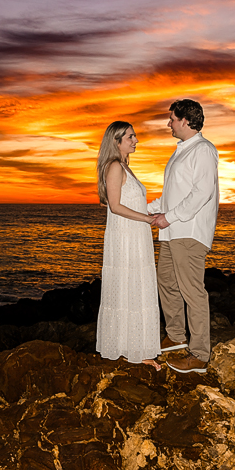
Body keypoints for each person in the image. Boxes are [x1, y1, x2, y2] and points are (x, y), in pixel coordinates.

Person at [148, 99, 219, 374]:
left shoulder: (203, 150)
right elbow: (170, 197)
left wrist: (169, 217)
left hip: (188, 232)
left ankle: (200, 354)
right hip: (171, 232)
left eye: (172, 119)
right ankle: (176, 336)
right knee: (166, 281)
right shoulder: (181, 151)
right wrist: (142, 209)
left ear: (186, 120)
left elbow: (201, 193)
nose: (169, 123)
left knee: (193, 292)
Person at [95, 121, 162, 370]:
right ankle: (134, 351)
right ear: (117, 141)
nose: (136, 140)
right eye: (131, 136)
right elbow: (114, 205)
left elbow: (127, 203)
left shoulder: (125, 167)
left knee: (136, 288)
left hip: (136, 235)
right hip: (126, 237)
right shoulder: (114, 166)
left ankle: (135, 347)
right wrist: (146, 218)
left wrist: (153, 213)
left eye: (134, 136)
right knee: (129, 287)